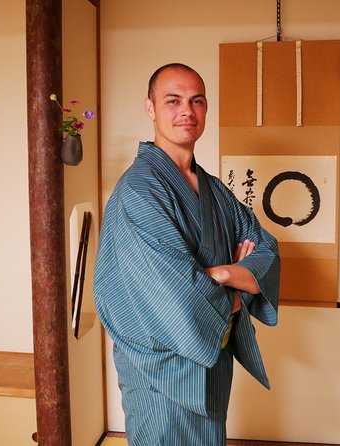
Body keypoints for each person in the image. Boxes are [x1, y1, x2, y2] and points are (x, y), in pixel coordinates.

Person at [93, 63, 280, 446]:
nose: (186, 112)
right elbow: (172, 292)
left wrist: (222, 275)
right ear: (150, 108)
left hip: (211, 359)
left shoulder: (212, 188)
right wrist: (238, 288)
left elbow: (266, 248)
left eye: (196, 101)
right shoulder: (139, 190)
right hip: (161, 370)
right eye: (173, 100)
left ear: (206, 109)